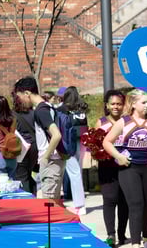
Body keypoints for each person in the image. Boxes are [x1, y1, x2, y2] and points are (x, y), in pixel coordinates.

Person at [103, 89, 147, 248]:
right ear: (134, 104)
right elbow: (107, 142)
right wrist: (118, 156)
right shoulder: (124, 121)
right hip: (130, 168)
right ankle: (135, 243)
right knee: (136, 204)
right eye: (143, 102)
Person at [13, 77, 65, 200]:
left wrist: (45, 157)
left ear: (27, 93)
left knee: (50, 205)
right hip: (56, 160)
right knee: (54, 203)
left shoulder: (41, 110)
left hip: (50, 161)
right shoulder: (48, 106)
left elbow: (56, 135)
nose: (19, 101)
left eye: (19, 96)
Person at [95, 89, 129, 247]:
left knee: (124, 201)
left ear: (124, 105)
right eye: (113, 104)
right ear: (107, 105)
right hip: (107, 167)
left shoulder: (129, 121)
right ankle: (111, 235)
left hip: (126, 167)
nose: (116, 107)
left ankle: (122, 234)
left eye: (119, 104)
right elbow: (94, 147)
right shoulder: (101, 122)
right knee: (109, 200)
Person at [58, 86, 88, 215]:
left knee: (73, 172)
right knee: (77, 172)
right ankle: (80, 204)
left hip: (68, 143)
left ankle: (79, 205)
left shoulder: (62, 109)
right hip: (81, 141)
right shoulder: (82, 109)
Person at [13, 91, 38, 195]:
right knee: (28, 173)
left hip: (22, 148)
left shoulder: (13, 114)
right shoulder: (33, 113)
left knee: (22, 175)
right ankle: (33, 193)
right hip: (34, 146)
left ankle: (28, 198)